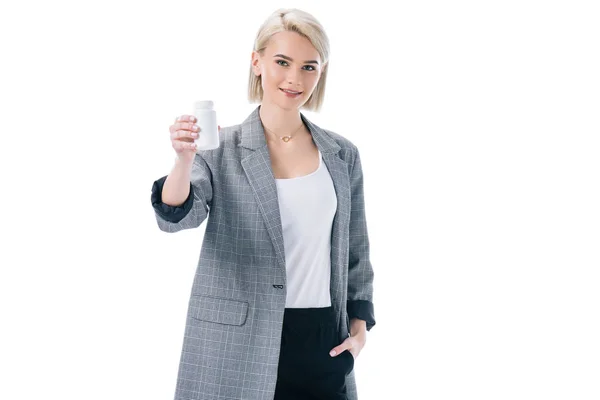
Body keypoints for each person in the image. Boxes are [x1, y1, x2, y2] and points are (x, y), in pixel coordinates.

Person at [150, 8, 375, 400]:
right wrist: (183, 160)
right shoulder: (220, 149)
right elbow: (177, 217)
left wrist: (358, 329)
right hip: (237, 344)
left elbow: (356, 250)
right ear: (257, 62)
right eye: (282, 62)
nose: (294, 78)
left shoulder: (342, 154)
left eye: (309, 67)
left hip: (323, 339)